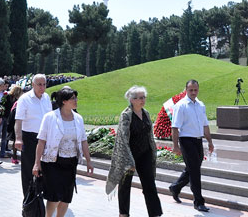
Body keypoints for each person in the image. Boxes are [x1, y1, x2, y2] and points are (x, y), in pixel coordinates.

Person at [32, 87, 93, 217]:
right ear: (64, 101)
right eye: (73, 98)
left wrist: (89, 161)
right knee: (54, 197)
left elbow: (83, 141)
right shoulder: (50, 117)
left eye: (76, 97)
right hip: (53, 162)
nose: (76, 100)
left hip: (71, 163)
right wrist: (37, 163)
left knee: (66, 197)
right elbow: (41, 141)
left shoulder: (78, 118)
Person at [107, 86, 163, 217]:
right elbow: (122, 138)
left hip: (145, 154)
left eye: (143, 97)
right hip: (128, 154)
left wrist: (153, 152)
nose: (141, 100)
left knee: (149, 184)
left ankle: (155, 213)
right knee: (124, 185)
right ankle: (124, 213)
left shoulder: (146, 113)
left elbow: (149, 135)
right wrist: (129, 160)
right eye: (138, 98)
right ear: (131, 100)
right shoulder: (126, 115)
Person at [169, 80, 214, 213]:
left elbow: (205, 125)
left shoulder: (201, 105)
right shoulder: (181, 106)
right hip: (186, 140)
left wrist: (210, 142)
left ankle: (176, 187)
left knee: (192, 168)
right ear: (186, 90)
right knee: (195, 171)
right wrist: (175, 146)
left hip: (198, 141)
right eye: (191, 90)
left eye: (195, 90)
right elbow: (175, 127)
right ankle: (198, 202)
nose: (193, 92)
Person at [15, 74, 52, 199]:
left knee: (44, 168)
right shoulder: (25, 99)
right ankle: (28, 197)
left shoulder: (46, 98)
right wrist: (18, 138)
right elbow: (18, 120)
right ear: (33, 85)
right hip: (29, 138)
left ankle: (40, 193)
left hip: (45, 138)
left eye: (44, 84)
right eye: (39, 84)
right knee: (29, 168)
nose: (42, 87)